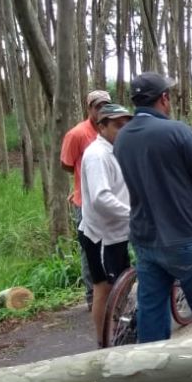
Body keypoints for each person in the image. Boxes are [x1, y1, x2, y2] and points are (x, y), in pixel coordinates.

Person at [114, 71, 192, 343]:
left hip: (145, 239)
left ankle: (156, 377)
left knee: (152, 318)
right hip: (183, 236)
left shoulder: (121, 137)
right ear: (163, 99)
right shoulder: (176, 131)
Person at [78, 103, 132, 347]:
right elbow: (101, 197)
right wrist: (132, 214)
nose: (123, 129)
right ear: (102, 126)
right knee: (103, 288)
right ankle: (103, 343)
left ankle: (117, 330)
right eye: (117, 125)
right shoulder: (97, 155)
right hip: (102, 236)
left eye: (126, 124)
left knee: (120, 282)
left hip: (119, 231)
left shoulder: (117, 149)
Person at [61, 89, 110, 308]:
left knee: (112, 245)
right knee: (89, 247)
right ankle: (93, 295)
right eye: (97, 106)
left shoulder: (113, 128)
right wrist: (83, 182)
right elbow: (67, 164)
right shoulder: (77, 134)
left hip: (109, 198)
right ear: (89, 108)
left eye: (105, 105)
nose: (101, 109)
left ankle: (112, 290)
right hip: (85, 202)